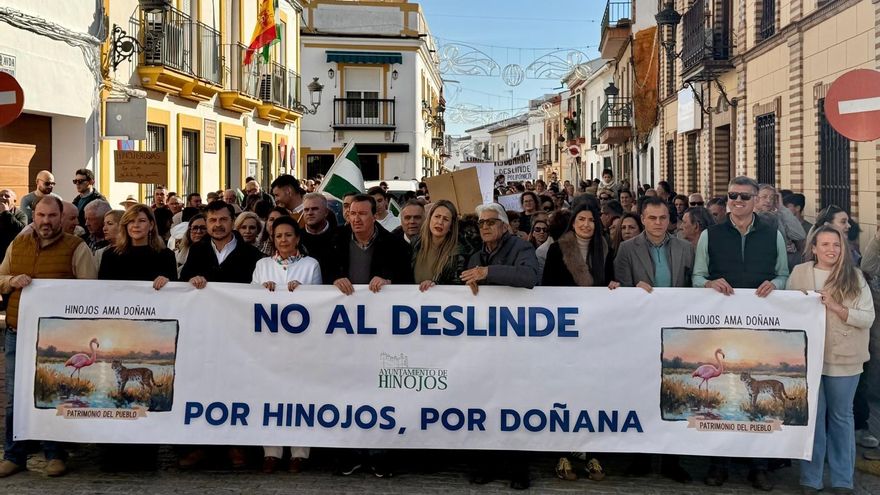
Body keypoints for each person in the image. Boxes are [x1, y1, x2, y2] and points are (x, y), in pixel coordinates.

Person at [692, 176, 789, 491]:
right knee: (726, 400)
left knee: (754, 405)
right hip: (720, 327)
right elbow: (697, 276)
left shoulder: (772, 234)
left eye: (744, 197)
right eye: (732, 195)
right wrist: (708, 283)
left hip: (761, 330)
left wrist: (777, 285)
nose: (736, 201)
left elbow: (784, 274)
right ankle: (718, 464)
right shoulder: (711, 235)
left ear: (754, 200)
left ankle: (758, 466)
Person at [0, 196, 97, 478]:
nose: (45, 221)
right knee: (15, 397)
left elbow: (91, 292)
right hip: (18, 332)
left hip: (57, 337)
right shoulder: (17, 244)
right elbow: (0, 276)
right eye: (41, 215)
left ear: (60, 216)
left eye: (52, 216)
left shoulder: (76, 248)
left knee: (53, 394)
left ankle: (55, 454)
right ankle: (14, 455)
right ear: (33, 215)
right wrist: (11, 281)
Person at [610, 196, 695, 483]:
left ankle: (673, 460)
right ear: (642, 219)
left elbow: (692, 286)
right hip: (641, 333)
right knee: (641, 394)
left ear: (670, 220)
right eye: (652, 218)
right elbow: (619, 285)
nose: (658, 223)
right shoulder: (626, 248)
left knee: (674, 394)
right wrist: (633, 287)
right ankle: (641, 457)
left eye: (663, 218)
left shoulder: (685, 248)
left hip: (675, 334)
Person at [788, 225, 874, 494]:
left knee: (841, 418)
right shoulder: (799, 274)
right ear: (813, 248)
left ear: (843, 248)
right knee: (813, 418)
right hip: (809, 358)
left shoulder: (854, 276)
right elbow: (787, 312)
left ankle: (842, 479)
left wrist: (836, 307)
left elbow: (867, 317)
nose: (831, 250)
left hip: (844, 358)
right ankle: (810, 478)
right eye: (824, 244)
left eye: (836, 245)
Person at [178, 201, 264, 470]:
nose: (217, 225)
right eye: (212, 220)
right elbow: (183, 286)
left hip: (239, 334)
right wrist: (191, 282)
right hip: (204, 333)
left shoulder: (252, 255)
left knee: (237, 388)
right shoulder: (198, 251)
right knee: (203, 387)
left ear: (232, 221)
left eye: (222, 220)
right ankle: (202, 446)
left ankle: (237, 446)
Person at [463, 203, 537, 489]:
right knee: (483, 402)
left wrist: (487, 273)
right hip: (483, 341)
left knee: (514, 404)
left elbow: (529, 277)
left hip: (514, 341)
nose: (484, 227)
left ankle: (518, 468)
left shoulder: (520, 248)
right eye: (481, 223)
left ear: (505, 226)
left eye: (491, 223)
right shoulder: (475, 255)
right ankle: (485, 464)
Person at [251, 215, 321, 474]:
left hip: (300, 343)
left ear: (297, 238)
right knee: (271, 394)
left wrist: (304, 290)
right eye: (278, 236)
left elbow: (319, 301)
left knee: (300, 394)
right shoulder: (262, 265)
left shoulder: (310, 265)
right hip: (268, 342)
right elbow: (247, 300)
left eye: (288, 235)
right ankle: (271, 452)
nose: (283, 240)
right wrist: (261, 289)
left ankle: (300, 453)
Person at [330, 194, 413, 297]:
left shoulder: (396, 245)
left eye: (362, 213)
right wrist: (336, 279)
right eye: (353, 213)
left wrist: (388, 282)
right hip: (345, 307)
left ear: (374, 217)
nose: (356, 219)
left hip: (379, 306)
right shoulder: (334, 240)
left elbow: (406, 280)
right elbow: (326, 271)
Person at [542, 198, 609, 288]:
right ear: (573, 223)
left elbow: (609, 280)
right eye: (581, 219)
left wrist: (613, 285)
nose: (586, 224)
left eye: (591, 220)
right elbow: (547, 284)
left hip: (597, 300)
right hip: (564, 300)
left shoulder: (606, 248)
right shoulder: (556, 249)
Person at [412, 200, 467, 290]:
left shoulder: (458, 253)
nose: (440, 222)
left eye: (445, 219)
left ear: (451, 226)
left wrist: (435, 284)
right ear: (429, 219)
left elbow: (458, 284)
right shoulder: (415, 243)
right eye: (437, 217)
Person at [756, 184, 806, 270]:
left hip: (781, 266)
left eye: (772, 198)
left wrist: (782, 208)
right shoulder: (748, 217)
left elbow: (799, 235)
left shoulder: (779, 216)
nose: (768, 200)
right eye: (764, 197)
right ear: (755, 198)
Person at [299, 193, 338, 284]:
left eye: (315, 209)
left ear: (326, 212)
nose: (310, 213)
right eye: (306, 210)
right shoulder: (296, 238)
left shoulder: (340, 236)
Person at [0, 189, 26, 263]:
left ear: (14, 201)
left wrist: (6, 213)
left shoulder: (21, 215)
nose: (3, 197)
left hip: (12, 255)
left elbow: (21, 230)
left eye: (7, 196)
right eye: (1, 195)